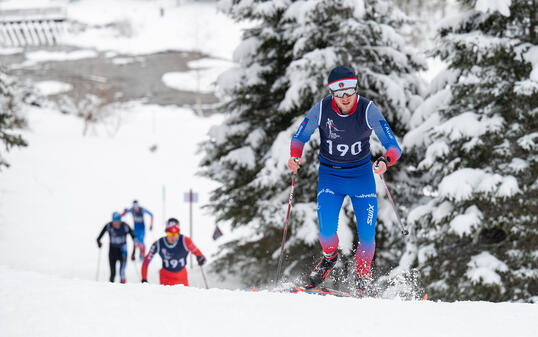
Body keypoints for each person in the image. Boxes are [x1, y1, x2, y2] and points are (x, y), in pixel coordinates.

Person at [288, 65, 402, 296]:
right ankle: (329, 258)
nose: (345, 98)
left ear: (356, 89)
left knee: (367, 235)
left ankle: (362, 278)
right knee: (327, 231)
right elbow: (300, 136)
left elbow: (393, 147)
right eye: (339, 94)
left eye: (349, 91)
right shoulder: (321, 110)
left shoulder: (367, 109)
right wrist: (294, 157)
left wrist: (384, 161)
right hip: (331, 176)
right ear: (332, 94)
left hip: (361, 177)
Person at [141, 217, 207, 286]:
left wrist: (201, 258)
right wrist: (144, 278)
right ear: (166, 232)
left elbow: (200, 255)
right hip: (166, 279)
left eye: (175, 234)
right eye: (170, 233)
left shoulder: (186, 241)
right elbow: (146, 261)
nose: (173, 237)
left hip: (182, 277)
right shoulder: (158, 244)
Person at [96, 211, 135, 283]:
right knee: (113, 273)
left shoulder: (125, 226)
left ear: (120, 221)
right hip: (112, 251)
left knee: (122, 273)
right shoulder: (108, 226)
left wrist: (133, 252)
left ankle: (123, 290)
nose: (116, 224)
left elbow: (134, 239)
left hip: (123, 252)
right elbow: (98, 238)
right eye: (115, 222)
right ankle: (110, 290)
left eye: (118, 222)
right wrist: (99, 243)